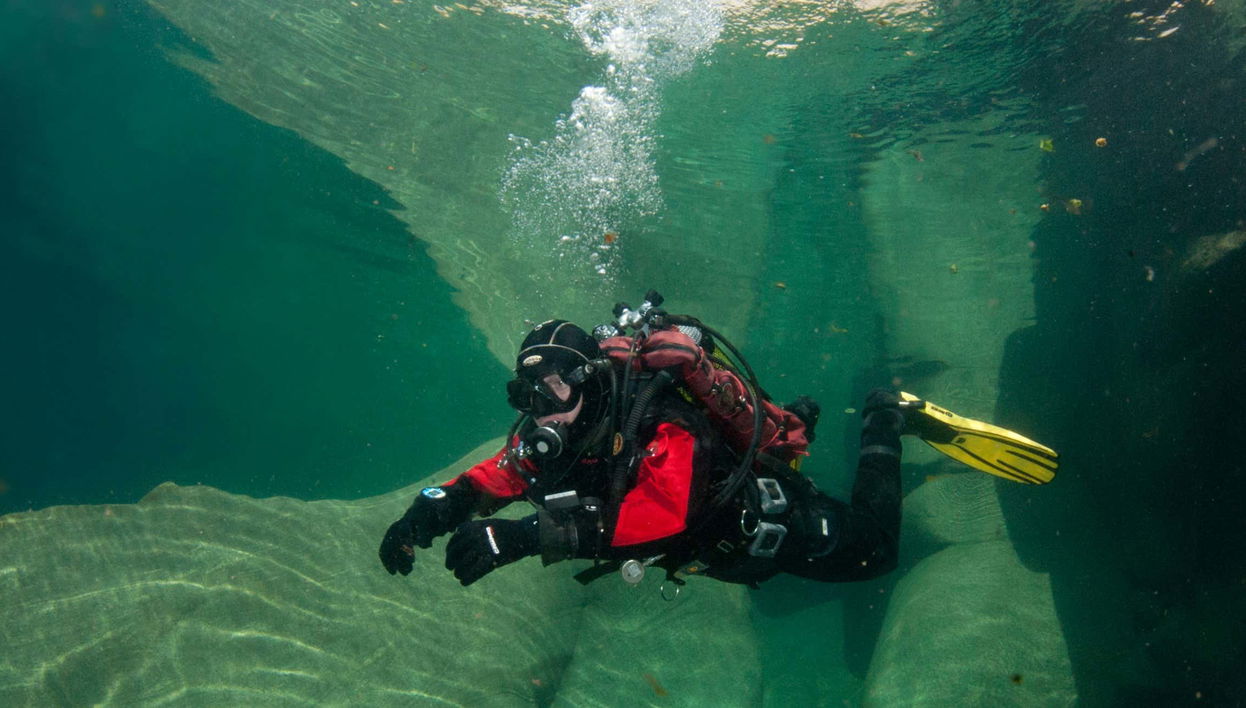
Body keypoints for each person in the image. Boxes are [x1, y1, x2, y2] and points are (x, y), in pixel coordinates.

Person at [378, 309, 904, 590]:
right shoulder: (551, 434)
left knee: (876, 553)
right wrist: (423, 515)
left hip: (771, 526)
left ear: (587, 381)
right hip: (718, 562)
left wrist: (523, 536)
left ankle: (883, 415)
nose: (539, 409)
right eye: (526, 394)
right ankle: (804, 413)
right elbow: (493, 478)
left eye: (553, 389)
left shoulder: (659, 421)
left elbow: (662, 514)